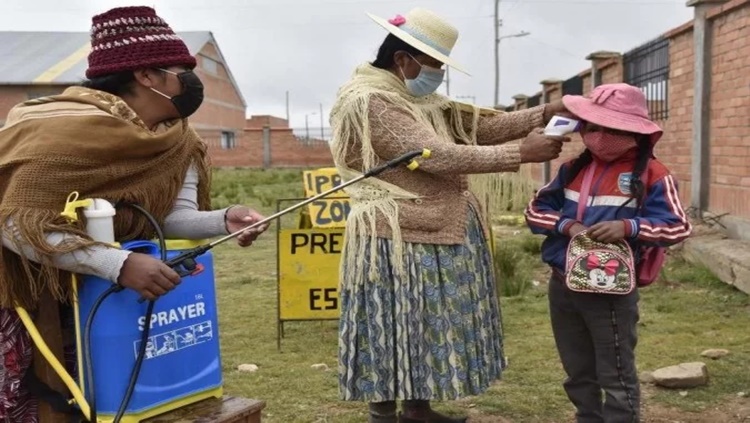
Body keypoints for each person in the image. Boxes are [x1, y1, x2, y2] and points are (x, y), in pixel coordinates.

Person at [0, 6, 268, 421]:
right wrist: (118, 263)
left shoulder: (178, 140)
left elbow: (166, 217)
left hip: (99, 302)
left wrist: (223, 219)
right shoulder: (58, 130)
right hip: (25, 299)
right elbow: (16, 224)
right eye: (182, 70)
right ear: (146, 76)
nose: (191, 81)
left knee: (106, 404)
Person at [329, 7, 571, 423]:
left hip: (428, 228)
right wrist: (520, 154)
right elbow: (432, 154)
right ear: (403, 59)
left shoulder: (418, 98)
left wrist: (546, 112)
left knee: (420, 325)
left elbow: (478, 129)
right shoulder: (371, 101)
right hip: (395, 236)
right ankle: (384, 415)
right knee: (390, 325)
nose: (438, 72)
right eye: (434, 63)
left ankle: (418, 410)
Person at [524, 83, 692, 423]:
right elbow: (534, 210)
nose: (600, 136)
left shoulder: (653, 175)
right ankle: (587, 416)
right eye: (593, 126)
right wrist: (567, 226)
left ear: (635, 132)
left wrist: (629, 227)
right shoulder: (572, 169)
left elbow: (678, 226)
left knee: (615, 372)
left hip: (611, 293)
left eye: (611, 128)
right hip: (563, 285)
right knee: (577, 369)